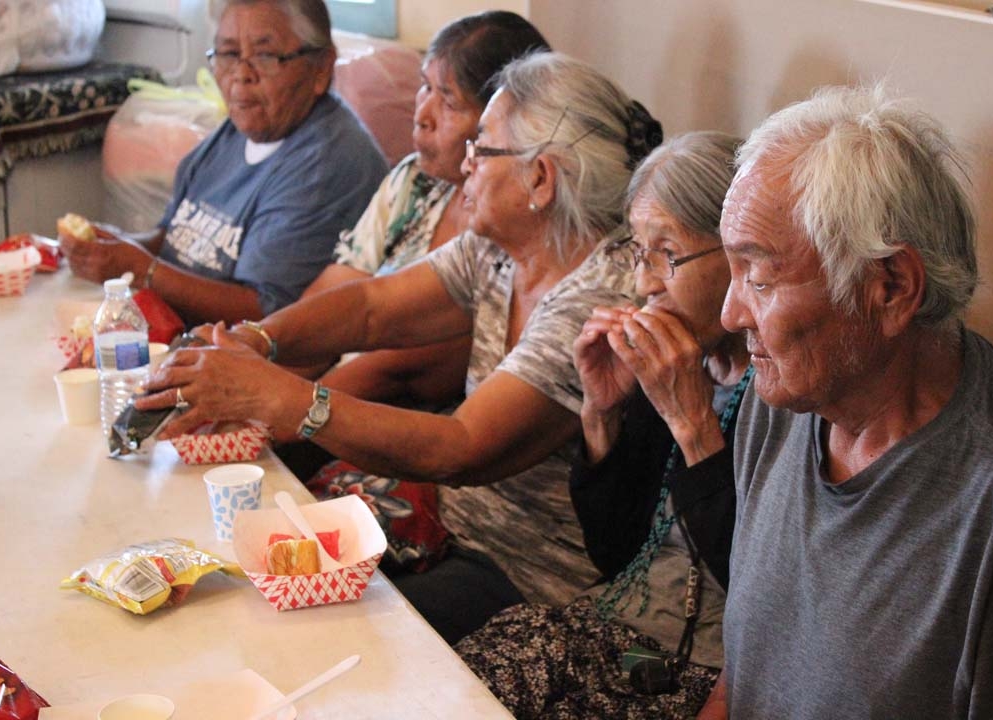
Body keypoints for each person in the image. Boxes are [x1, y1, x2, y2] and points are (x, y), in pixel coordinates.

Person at [139, 52, 663, 643]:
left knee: (312, 634)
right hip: (449, 529)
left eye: (482, 149)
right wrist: (255, 340)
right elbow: (372, 307)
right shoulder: (500, 248)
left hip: (531, 576)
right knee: (245, 574)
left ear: (540, 178)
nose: (465, 163)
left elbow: (461, 448)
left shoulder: (597, 299)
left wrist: (282, 398)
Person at [695, 85, 993, 720]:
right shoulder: (783, 399)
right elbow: (747, 668)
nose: (730, 313)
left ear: (890, 287)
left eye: (760, 277)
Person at [456, 132, 748, 719]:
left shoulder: (785, 389)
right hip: (623, 628)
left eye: (667, 254)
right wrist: (602, 416)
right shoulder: (679, 359)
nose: (645, 284)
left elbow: (761, 586)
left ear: (740, 254)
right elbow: (614, 553)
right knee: (455, 682)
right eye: (640, 253)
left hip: (710, 665)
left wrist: (694, 425)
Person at [274, 11, 551, 483]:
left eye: (449, 101)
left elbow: (395, 371)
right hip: (321, 406)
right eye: (425, 87)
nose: (421, 114)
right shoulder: (415, 182)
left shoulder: (506, 237)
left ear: (506, 127)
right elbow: (343, 296)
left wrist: (275, 412)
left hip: (390, 432)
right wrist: (254, 353)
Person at [59, 0, 387, 326]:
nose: (241, 75)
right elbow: (173, 238)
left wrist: (140, 269)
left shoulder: (325, 165)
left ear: (321, 69)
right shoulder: (241, 129)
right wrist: (114, 249)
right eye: (229, 54)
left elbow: (265, 316)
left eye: (265, 56)